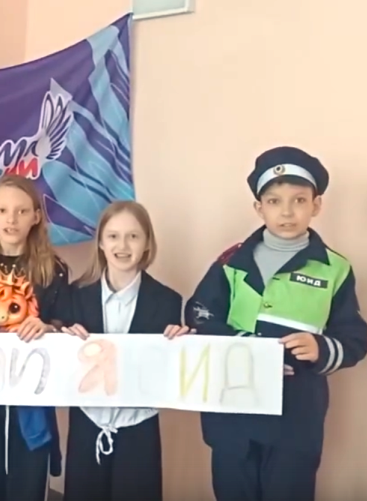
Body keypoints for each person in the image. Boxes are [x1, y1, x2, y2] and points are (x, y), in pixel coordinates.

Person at [185, 146, 366, 501]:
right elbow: (199, 314)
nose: (286, 211)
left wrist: (321, 347)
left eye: (299, 200)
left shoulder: (335, 268)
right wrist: (247, 346)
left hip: (295, 419)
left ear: (316, 205)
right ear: (259, 208)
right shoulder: (231, 261)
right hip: (233, 413)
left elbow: (354, 336)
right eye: (274, 201)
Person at [59, 201, 189, 501]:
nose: (123, 245)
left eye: (133, 236)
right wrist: (62, 338)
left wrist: (181, 343)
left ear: (147, 243)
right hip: (87, 423)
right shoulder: (75, 296)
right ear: (101, 243)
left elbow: (169, 370)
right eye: (113, 236)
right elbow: (59, 366)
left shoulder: (168, 301)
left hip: (139, 427)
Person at [0, 175, 71, 501]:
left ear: (36, 216)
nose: (11, 219)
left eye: (21, 211)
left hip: (31, 399)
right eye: (3, 210)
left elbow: (63, 325)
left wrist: (48, 328)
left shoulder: (54, 269)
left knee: (28, 482)